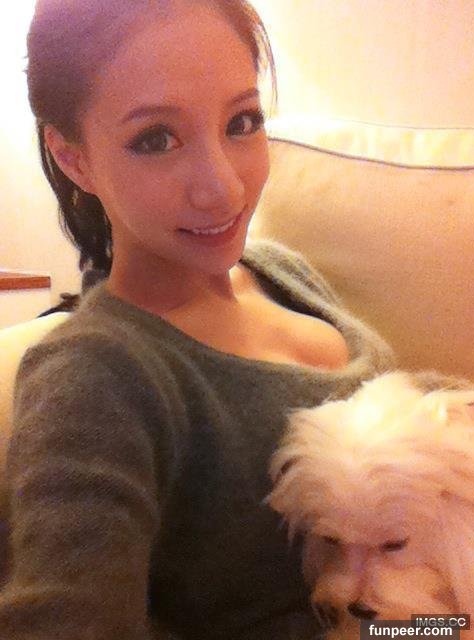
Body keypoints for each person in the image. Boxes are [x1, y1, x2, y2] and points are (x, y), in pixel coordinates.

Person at [0, 1, 395, 638]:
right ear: (75, 159)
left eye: (241, 122)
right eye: (156, 139)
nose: (224, 188)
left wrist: (445, 626)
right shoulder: (96, 376)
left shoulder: (282, 274)